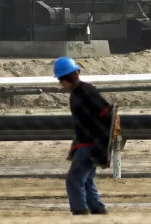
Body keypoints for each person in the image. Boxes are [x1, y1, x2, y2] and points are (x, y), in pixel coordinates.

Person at [54, 56, 113, 216]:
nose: (61, 84)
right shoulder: (79, 93)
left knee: (74, 179)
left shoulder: (86, 92)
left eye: (60, 79)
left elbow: (107, 116)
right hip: (86, 143)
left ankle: (80, 211)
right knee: (85, 179)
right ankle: (98, 210)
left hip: (89, 144)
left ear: (66, 78)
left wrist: (100, 145)